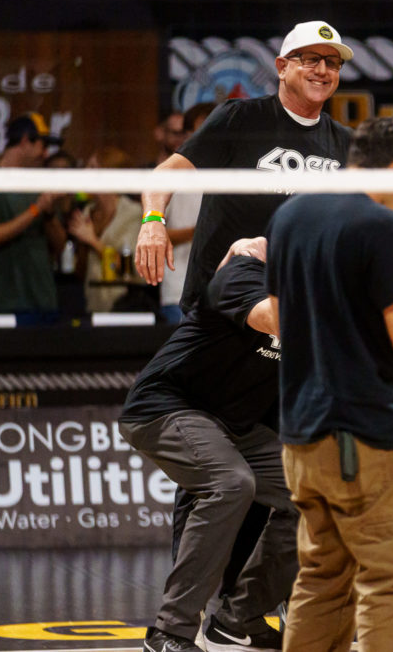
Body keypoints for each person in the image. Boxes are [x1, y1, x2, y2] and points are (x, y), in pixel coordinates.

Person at [265, 115, 393, 651]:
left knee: (322, 579)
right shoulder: (380, 225)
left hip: (300, 436)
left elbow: (276, 315)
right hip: (366, 435)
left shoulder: (289, 215)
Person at [118, 237, 295, 652]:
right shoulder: (243, 272)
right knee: (231, 483)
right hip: (165, 406)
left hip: (236, 424)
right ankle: (169, 631)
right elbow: (278, 320)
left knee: (316, 489)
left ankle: (240, 618)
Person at [135, 20, 355, 314]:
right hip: (220, 306)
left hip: (295, 309)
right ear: (281, 67)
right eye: (311, 59)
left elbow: (386, 206)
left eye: (333, 63)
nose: (323, 70)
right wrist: (152, 221)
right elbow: (166, 173)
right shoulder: (239, 119)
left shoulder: (346, 143)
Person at [0, 112, 66, 319]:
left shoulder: (40, 183)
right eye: (42, 146)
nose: (45, 154)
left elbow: (60, 246)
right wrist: (36, 210)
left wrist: (49, 211)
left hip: (43, 301)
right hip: (1, 304)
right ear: (25, 141)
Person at [67, 146, 143, 313]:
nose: (85, 173)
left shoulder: (132, 213)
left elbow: (131, 269)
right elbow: (80, 271)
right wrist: (81, 246)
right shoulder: (88, 211)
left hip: (125, 307)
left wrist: (93, 241)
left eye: (93, 168)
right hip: (93, 306)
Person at [160, 103, 216, 324]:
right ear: (188, 135)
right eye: (202, 129)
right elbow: (153, 232)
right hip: (179, 291)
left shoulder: (229, 174)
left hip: (220, 291)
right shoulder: (172, 175)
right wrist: (197, 231)